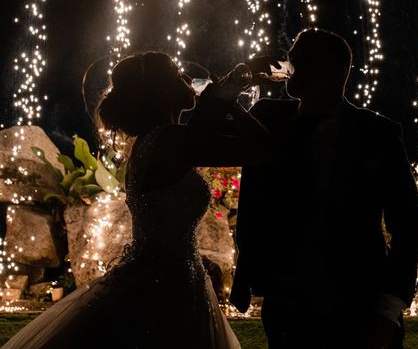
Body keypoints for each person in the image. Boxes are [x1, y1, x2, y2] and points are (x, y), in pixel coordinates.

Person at [3, 51, 270, 349]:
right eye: (176, 73)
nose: (185, 78)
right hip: (163, 285)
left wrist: (229, 99)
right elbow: (261, 148)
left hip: (170, 276)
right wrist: (228, 91)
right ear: (160, 90)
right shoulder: (167, 141)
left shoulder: (161, 139)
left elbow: (250, 144)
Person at [231, 29, 418, 349]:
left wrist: (387, 311)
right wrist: (240, 78)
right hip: (287, 305)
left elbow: (408, 226)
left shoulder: (377, 133)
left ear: (337, 71)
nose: (289, 63)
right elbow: (207, 126)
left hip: (359, 305)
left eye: (301, 58)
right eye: (291, 56)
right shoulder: (267, 117)